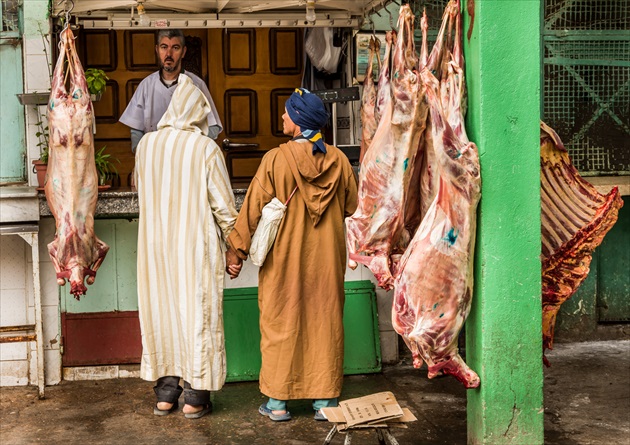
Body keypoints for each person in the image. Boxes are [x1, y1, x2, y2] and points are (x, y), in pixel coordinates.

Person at [225, 88, 358, 422]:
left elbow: (253, 208)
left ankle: (278, 403)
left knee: (279, 322)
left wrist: (236, 250)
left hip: (283, 262)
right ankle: (325, 401)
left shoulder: (276, 159)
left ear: (298, 121)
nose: (283, 117)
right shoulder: (340, 161)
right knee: (324, 322)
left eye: (287, 113)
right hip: (326, 261)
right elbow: (352, 206)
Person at [135, 74, 240, 419]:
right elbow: (224, 208)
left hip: (155, 253)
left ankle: (165, 396)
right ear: (198, 112)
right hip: (194, 250)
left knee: (162, 314)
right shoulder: (206, 149)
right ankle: (196, 398)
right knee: (198, 316)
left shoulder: (146, 147)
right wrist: (235, 246)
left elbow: (142, 192)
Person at [120, 29, 222, 153]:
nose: (169, 53)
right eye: (164, 47)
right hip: (155, 158)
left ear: (183, 52)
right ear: (157, 50)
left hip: (186, 158)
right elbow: (136, 129)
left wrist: (193, 149)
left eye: (175, 48)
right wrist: (141, 154)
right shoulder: (146, 85)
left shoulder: (197, 85)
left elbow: (213, 127)